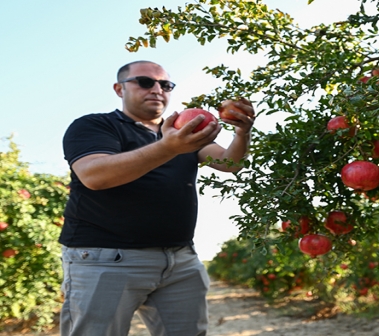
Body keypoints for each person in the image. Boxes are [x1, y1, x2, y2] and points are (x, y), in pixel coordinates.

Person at [59, 60, 254, 336]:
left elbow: (230, 164)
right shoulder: (95, 125)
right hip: (105, 259)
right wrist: (168, 147)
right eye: (145, 82)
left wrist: (242, 132)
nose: (157, 89)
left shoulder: (184, 132)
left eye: (165, 84)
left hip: (179, 261)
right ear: (119, 89)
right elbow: (95, 175)